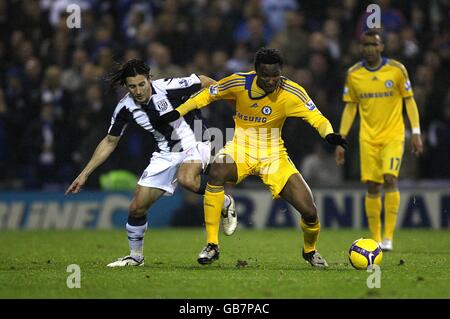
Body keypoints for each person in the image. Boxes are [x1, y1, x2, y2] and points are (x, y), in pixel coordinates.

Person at [158, 48, 348, 267]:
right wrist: (179, 111)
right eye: (265, 75)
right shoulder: (238, 82)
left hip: (274, 155)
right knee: (217, 171)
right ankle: (212, 245)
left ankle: (310, 251)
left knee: (310, 212)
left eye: (275, 74)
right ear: (256, 71)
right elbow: (207, 94)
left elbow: (317, 118)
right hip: (241, 147)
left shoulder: (292, 92)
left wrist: (330, 134)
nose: (271, 80)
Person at [65, 59, 237, 267]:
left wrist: (233, 104)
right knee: (137, 207)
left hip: (196, 140)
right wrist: (84, 174)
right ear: (126, 87)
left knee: (187, 179)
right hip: (166, 153)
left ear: (149, 80)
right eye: (132, 86)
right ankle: (136, 257)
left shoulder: (168, 87)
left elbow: (204, 81)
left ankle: (224, 201)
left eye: (141, 84)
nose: (138, 91)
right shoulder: (125, 108)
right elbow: (110, 141)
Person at [335, 30, 423, 251]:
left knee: (390, 179)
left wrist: (416, 132)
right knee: (372, 185)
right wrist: (341, 139)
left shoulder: (396, 70)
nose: (369, 48)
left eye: (374, 44)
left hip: (393, 135)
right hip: (368, 138)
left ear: (381, 47)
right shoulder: (354, 74)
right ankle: (375, 238)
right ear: (360, 48)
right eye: (365, 44)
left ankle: (389, 237)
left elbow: (409, 101)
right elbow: (350, 107)